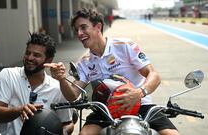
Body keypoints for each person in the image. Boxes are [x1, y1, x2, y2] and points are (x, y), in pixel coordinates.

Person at [45, 8, 180, 135]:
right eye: (76, 30)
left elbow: (153, 75)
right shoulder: (84, 62)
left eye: (83, 27)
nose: (79, 34)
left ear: (98, 27)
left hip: (141, 104)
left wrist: (139, 93)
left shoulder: (125, 46)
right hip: (105, 111)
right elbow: (73, 95)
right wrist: (61, 79)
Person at [0, 32, 74, 135]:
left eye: (36, 55)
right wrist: (18, 110)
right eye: (27, 53)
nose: (29, 58)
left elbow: (67, 123)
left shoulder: (57, 87)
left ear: (49, 60)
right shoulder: (7, 75)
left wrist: (62, 132)